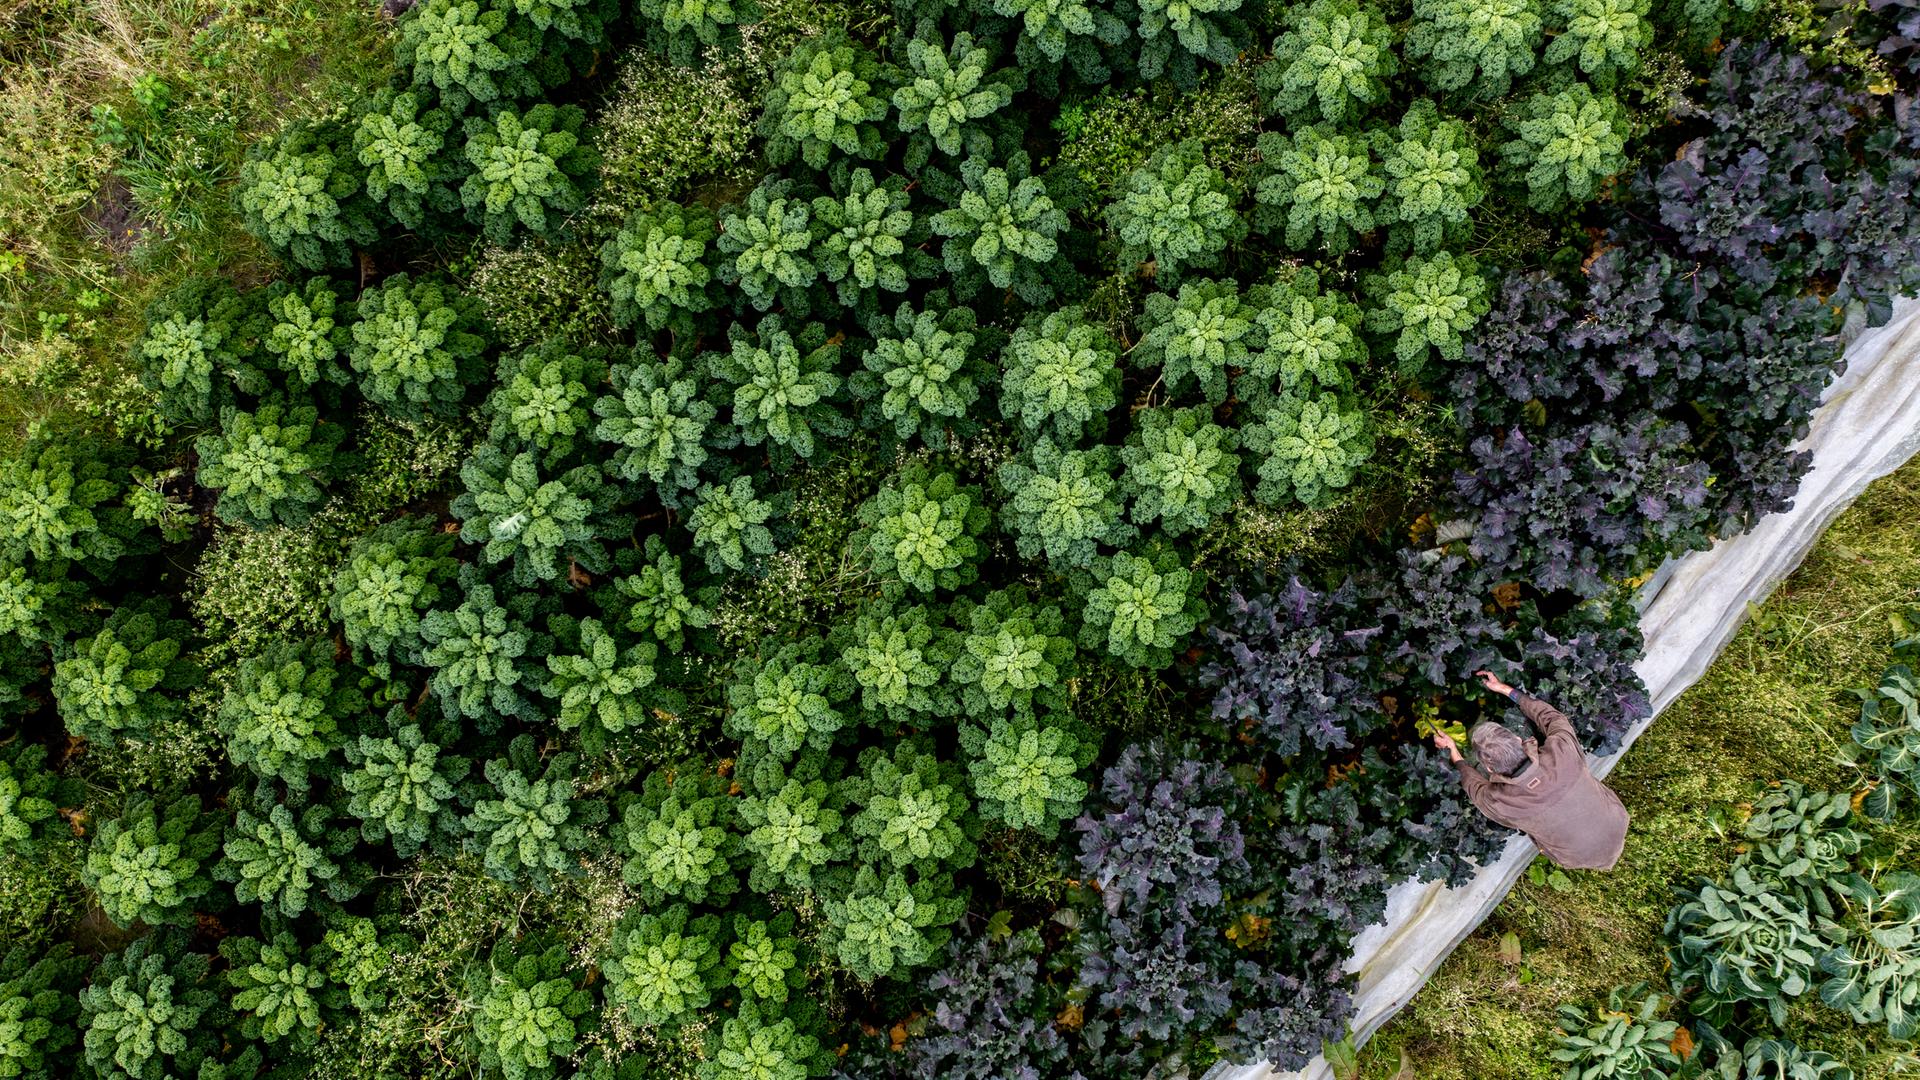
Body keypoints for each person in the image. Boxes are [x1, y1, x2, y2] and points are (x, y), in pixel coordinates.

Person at [1429, 670, 1630, 872]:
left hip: (1573, 858)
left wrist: (1452, 750)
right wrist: (1505, 689)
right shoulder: (1563, 752)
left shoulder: (1499, 803)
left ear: (1488, 768)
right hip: (1617, 821)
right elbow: (1551, 717)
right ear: (1518, 740)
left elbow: (1472, 785)